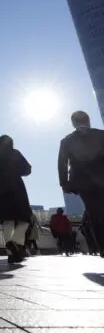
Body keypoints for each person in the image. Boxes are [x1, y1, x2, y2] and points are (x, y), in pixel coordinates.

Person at [58, 110, 104, 257]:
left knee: (94, 213)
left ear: (73, 124)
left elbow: (62, 164)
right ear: (88, 120)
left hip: (83, 182)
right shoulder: (101, 135)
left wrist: (64, 183)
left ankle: (103, 247)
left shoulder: (66, 141)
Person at [0, 135, 32, 264]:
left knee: (8, 221)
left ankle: (11, 251)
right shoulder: (15, 153)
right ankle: (16, 243)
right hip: (16, 190)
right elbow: (27, 169)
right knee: (24, 220)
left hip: (0, 194)